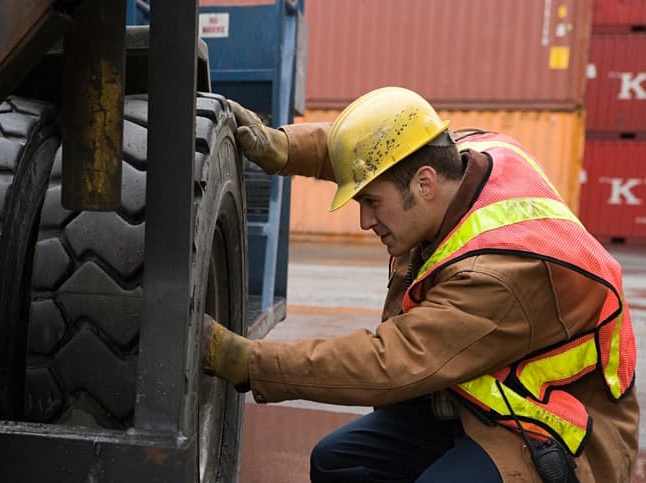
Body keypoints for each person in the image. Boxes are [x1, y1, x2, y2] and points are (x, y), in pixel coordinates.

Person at [202, 87, 639, 482]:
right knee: (340, 462)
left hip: (553, 428)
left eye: (372, 202)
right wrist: (283, 147)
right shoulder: (471, 156)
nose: (365, 221)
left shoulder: (500, 276)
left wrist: (248, 362)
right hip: (476, 402)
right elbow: (384, 144)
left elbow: (391, 361)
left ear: (425, 184)